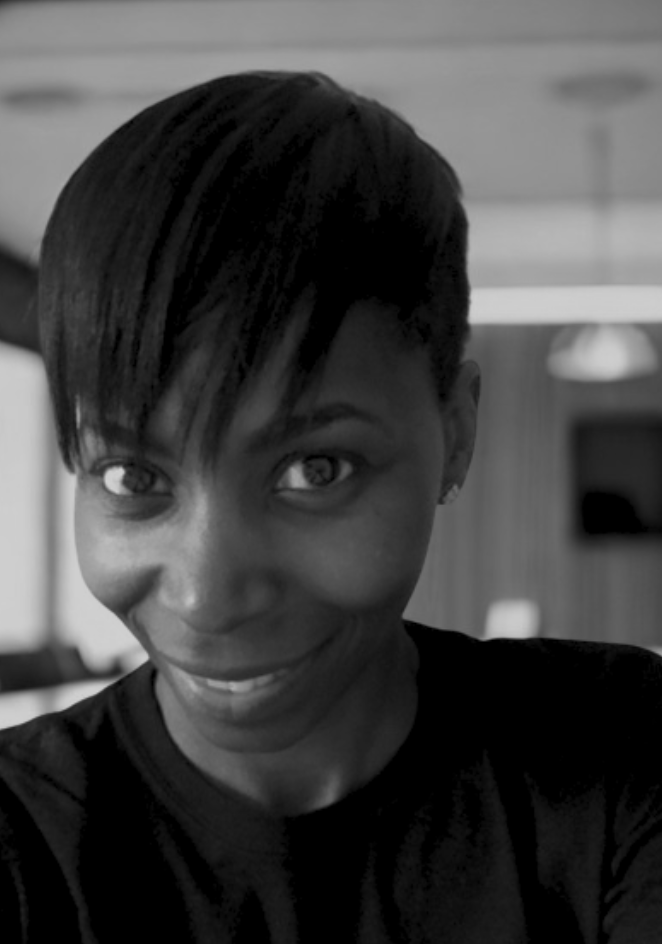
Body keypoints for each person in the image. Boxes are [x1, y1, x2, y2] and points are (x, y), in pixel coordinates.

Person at [1, 70, 661, 943]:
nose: (205, 595)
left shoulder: (621, 752)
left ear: (455, 428)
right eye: (132, 477)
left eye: (316, 468)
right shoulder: (21, 835)